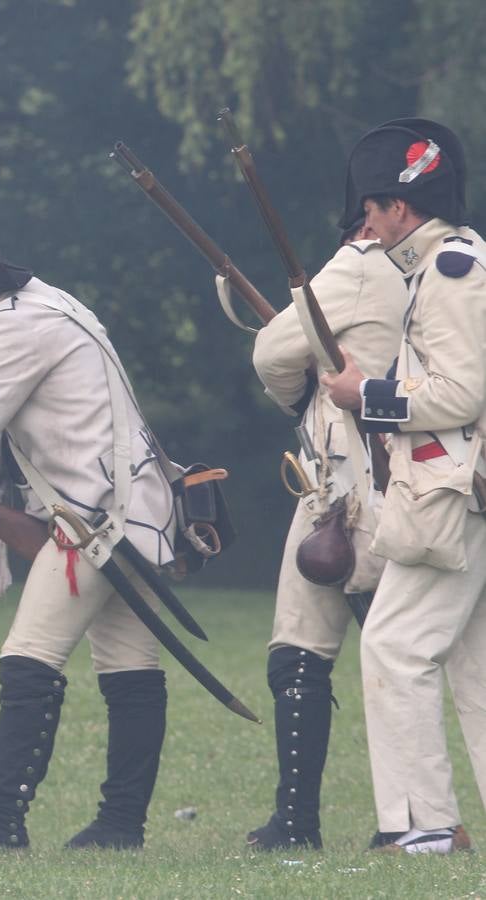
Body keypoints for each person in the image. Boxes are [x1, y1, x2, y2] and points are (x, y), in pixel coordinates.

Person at [0, 207, 180, 851]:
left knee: (27, 660)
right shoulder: (43, 302)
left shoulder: (13, 328)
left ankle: (2, 824)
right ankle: (120, 826)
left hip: (99, 521)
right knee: (130, 666)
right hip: (131, 508)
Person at [321, 117, 486, 856]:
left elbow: (460, 392)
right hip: (461, 488)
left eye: (373, 207)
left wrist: (370, 397)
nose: (366, 221)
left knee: (393, 646)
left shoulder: (453, 271)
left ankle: (422, 828)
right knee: (474, 666)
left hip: (455, 492)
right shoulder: (451, 264)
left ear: (399, 207)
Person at [243, 216, 406, 850]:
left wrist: (303, 389)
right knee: (310, 654)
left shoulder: (359, 264)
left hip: (344, 488)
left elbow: (272, 354)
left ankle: (307, 822)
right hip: (407, 486)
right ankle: (417, 819)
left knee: (312, 658)